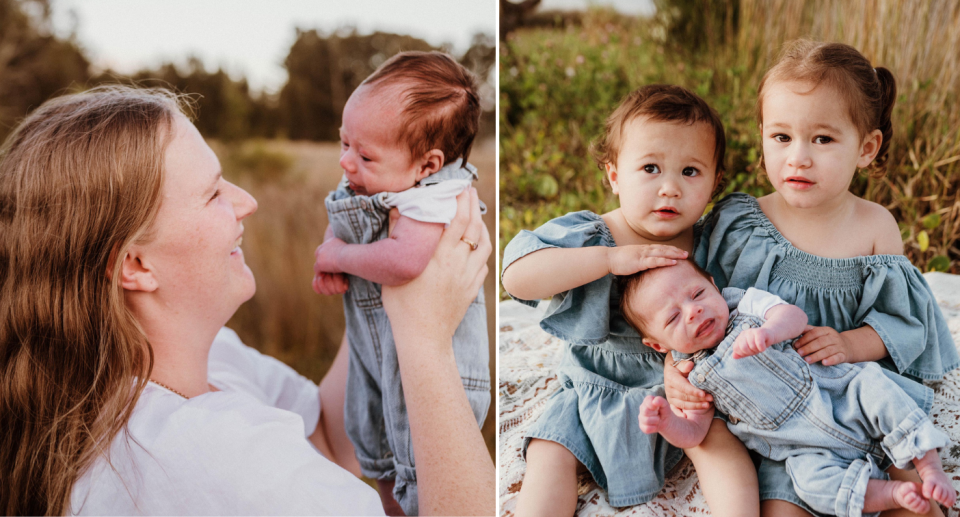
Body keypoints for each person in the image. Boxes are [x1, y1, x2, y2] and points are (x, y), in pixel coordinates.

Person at [0, 85, 495, 516]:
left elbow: (324, 435)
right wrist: (425, 342)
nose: (246, 202)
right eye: (213, 194)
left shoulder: (187, 361)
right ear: (135, 266)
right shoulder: (219, 464)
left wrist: (379, 285)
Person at [675, 40, 960, 516]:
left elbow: (903, 323)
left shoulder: (873, 227)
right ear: (763, 134)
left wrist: (849, 344)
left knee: (918, 501)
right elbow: (693, 302)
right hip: (774, 417)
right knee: (788, 506)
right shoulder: (740, 223)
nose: (798, 158)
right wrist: (675, 369)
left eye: (822, 139)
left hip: (853, 397)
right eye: (782, 137)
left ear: (866, 148)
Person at [501, 84, 759, 516]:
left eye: (690, 172)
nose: (670, 188)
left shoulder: (710, 241)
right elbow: (518, 277)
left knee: (718, 446)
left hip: (689, 382)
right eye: (651, 168)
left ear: (715, 181)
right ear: (615, 174)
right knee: (549, 449)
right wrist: (607, 259)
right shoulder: (595, 235)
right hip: (597, 380)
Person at [622, 260, 956, 515]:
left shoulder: (747, 307)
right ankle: (889, 495)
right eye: (673, 318)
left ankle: (930, 468)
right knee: (810, 483)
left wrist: (771, 331)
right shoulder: (691, 374)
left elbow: (793, 316)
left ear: (714, 285)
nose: (693, 310)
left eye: (698, 294)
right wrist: (667, 423)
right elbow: (695, 432)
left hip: (839, 395)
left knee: (877, 388)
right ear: (657, 346)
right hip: (803, 448)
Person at [311, 50, 490, 516]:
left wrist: (341, 256)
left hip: (435, 368)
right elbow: (344, 218)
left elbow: (405, 261)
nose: (347, 162)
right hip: (381, 351)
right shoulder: (383, 178)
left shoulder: (436, 198)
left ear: (428, 165)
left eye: (364, 153)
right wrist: (331, 256)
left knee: (414, 465)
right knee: (382, 459)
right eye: (344, 142)